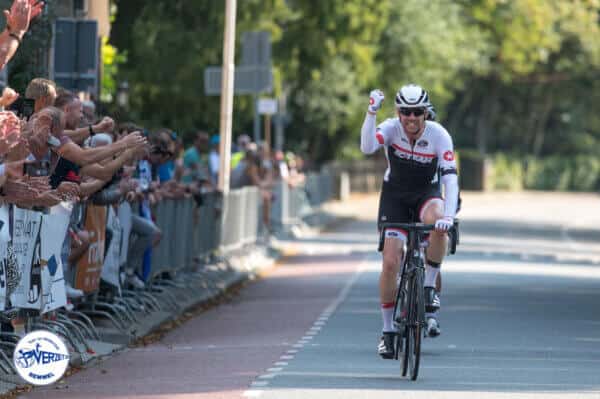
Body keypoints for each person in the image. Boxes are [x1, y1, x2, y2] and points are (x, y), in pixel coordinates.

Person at [360, 84, 459, 359]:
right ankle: (388, 330)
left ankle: (428, 287)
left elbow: (450, 178)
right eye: (406, 112)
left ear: (426, 113)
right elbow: (367, 146)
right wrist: (371, 112)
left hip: (426, 194)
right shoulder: (391, 128)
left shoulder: (439, 135)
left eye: (417, 112)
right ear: (398, 112)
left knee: (439, 222)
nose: (412, 118)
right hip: (395, 198)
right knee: (391, 262)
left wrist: (449, 216)